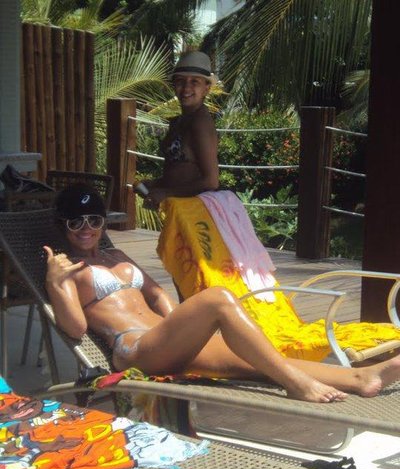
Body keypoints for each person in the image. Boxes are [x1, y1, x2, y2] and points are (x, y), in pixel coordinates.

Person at [45, 184, 400, 404]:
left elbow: (155, 294)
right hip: (136, 350)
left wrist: (182, 328)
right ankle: (296, 385)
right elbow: (75, 329)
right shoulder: (66, 268)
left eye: (94, 220)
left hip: (165, 340)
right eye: (76, 222)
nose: (87, 229)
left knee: (263, 362)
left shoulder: (117, 255)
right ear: (63, 226)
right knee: (218, 298)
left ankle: (362, 378)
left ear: (103, 222)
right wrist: (56, 284)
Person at [143, 51, 219, 208]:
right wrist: (156, 184)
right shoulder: (181, 120)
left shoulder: (200, 123)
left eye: (194, 82)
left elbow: (211, 181)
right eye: (180, 81)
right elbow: (180, 170)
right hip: (179, 209)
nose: (186, 88)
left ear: (206, 88)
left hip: (194, 212)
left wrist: (167, 193)